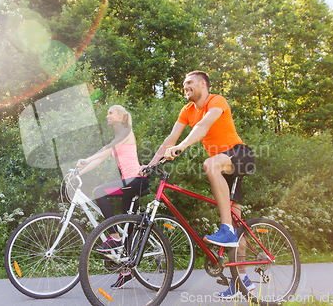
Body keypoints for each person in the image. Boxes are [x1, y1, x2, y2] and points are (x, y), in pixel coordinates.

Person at [140, 70, 255, 299]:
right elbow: (169, 139)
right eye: (184, 84)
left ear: (203, 84)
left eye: (189, 82)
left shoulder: (216, 101)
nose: (185, 86)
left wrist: (181, 147)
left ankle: (226, 230)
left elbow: (202, 127)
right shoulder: (187, 110)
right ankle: (243, 282)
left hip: (238, 155)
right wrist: (150, 164)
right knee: (236, 228)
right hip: (223, 168)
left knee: (210, 165)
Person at [77, 105, 148, 289]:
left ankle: (114, 236)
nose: (107, 115)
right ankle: (126, 271)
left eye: (110, 113)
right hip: (129, 184)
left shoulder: (126, 132)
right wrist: (79, 172)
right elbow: (101, 158)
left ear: (120, 116)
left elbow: (106, 151)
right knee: (129, 226)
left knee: (99, 192)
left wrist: (85, 159)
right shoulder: (117, 138)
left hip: (135, 181)